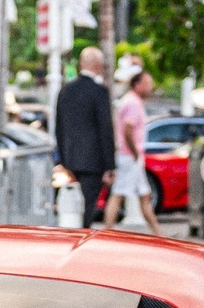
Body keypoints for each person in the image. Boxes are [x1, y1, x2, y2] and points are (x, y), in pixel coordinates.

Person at [53, 45, 116, 228]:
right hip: (93, 161)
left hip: (70, 159)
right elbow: (105, 129)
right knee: (87, 208)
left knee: (71, 206)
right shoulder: (100, 92)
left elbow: (59, 127)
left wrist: (64, 159)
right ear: (98, 65)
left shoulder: (65, 90)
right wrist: (109, 165)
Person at [111, 68, 158, 231]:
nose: (149, 87)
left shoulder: (131, 101)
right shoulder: (132, 102)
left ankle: (159, 233)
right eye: (146, 83)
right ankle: (107, 230)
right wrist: (135, 153)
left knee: (144, 195)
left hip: (131, 155)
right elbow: (128, 129)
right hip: (129, 155)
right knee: (118, 193)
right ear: (137, 84)